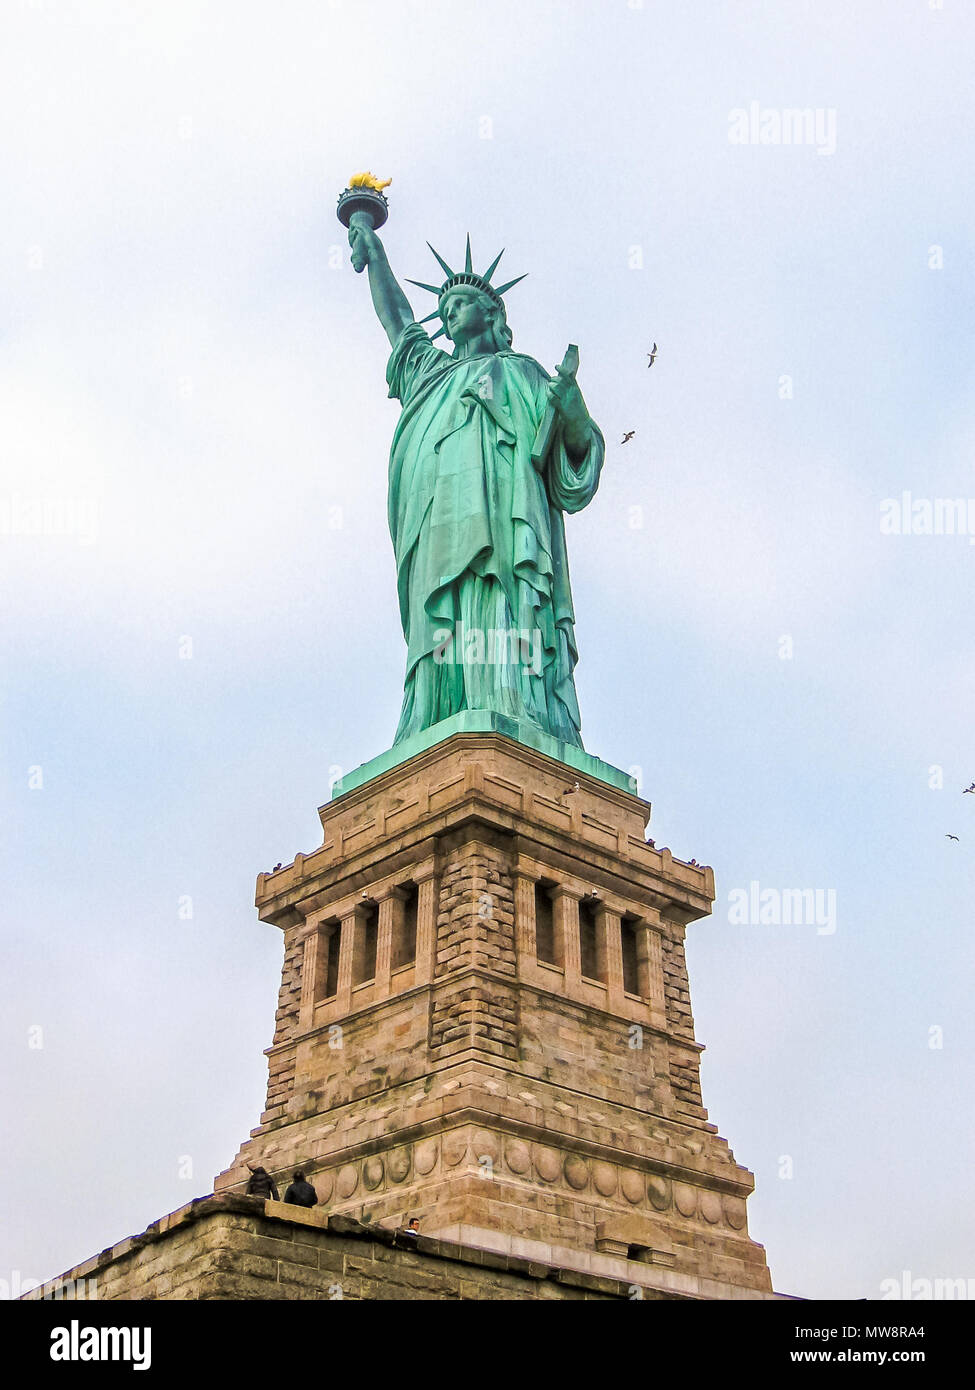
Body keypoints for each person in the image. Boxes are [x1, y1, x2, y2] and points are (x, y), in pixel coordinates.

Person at [346, 221, 605, 749]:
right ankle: (435, 715)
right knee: (444, 629)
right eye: (442, 310)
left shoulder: (524, 374)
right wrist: (375, 257)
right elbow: (399, 324)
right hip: (438, 536)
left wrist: (571, 406)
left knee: (501, 616)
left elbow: (575, 458)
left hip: (507, 536)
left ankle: (517, 709)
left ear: (491, 313)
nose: (447, 315)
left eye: (458, 304)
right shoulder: (430, 377)